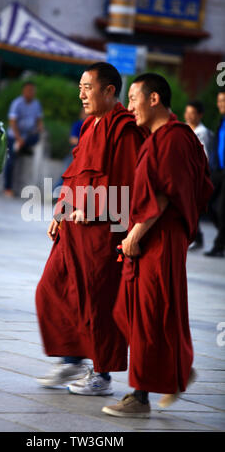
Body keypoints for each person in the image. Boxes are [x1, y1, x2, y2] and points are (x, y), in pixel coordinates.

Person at [102, 73, 213, 417]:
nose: (130, 105)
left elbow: (166, 193)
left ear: (153, 99)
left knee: (149, 314)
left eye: (134, 98)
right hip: (150, 235)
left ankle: (140, 396)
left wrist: (135, 234)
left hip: (161, 238)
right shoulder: (157, 137)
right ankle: (175, 368)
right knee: (130, 309)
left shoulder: (175, 139)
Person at [35, 62, 146, 395]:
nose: (81, 94)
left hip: (101, 233)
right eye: (80, 87)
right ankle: (71, 360)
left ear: (110, 91)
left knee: (97, 301)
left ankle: (102, 375)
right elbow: (75, 174)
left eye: (88, 87)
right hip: (72, 230)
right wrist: (61, 210)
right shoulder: (89, 126)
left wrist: (94, 209)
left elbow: (127, 186)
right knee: (50, 290)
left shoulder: (123, 128)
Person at [4, 81, 44, 197]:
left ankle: (21, 145)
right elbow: (12, 122)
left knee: (35, 137)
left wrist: (40, 128)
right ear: (24, 91)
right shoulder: (17, 103)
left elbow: (39, 120)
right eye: (29, 90)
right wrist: (18, 138)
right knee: (10, 161)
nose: (31, 93)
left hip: (28, 136)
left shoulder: (36, 104)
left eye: (33, 90)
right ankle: (7, 187)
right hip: (14, 136)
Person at [184, 100, 213, 250]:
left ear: (200, 115)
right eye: (187, 112)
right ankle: (196, 237)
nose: (188, 116)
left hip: (196, 176)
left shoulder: (203, 133)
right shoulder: (184, 130)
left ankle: (194, 237)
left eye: (192, 113)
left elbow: (205, 157)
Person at [204, 87, 225, 257]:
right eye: (219, 101)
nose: (220, 105)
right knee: (207, 203)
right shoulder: (221, 122)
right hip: (218, 170)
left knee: (222, 208)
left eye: (223, 101)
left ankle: (219, 245)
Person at [54, 108, 87, 190]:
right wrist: (84, 142)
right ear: (81, 114)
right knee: (67, 174)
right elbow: (72, 140)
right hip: (75, 154)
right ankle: (54, 192)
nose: (86, 115)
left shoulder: (91, 125)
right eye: (84, 113)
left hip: (86, 154)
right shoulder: (77, 125)